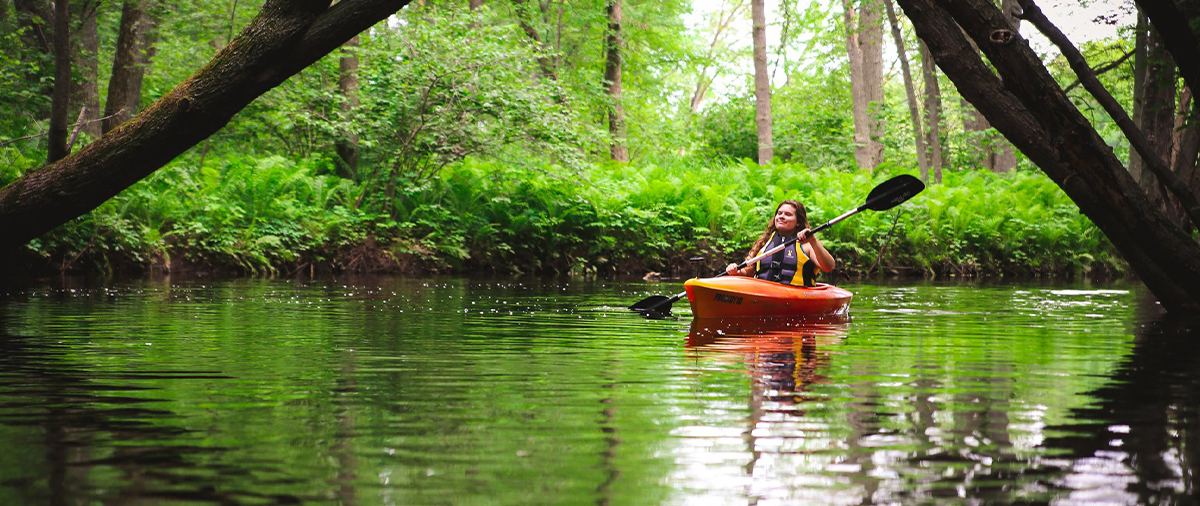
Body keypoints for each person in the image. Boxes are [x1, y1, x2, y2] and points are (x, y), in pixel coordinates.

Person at [725, 199, 835, 286]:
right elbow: (747, 271)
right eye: (779, 213)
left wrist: (813, 241)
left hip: (796, 295)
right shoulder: (764, 242)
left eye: (787, 214)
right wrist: (736, 271)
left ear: (798, 222)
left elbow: (829, 267)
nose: (781, 216)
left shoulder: (807, 244)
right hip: (763, 292)